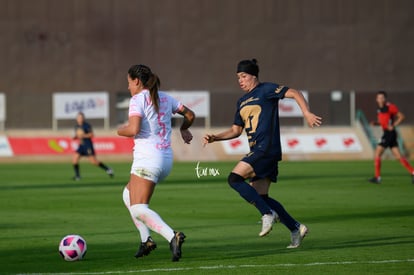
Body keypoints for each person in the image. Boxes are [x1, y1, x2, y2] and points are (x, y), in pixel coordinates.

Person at [203, 59, 322, 248]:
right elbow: (236, 130)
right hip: (259, 150)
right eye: (238, 77)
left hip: (266, 148)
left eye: (243, 76)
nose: (240, 80)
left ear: (254, 76)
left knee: (234, 179)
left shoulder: (266, 89)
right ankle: (295, 228)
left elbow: (295, 93)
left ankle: (267, 214)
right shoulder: (241, 101)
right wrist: (215, 137)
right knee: (262, 197)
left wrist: (306, 113)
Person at [118, 64, 195, 261]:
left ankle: (172, 236)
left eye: (129, 83)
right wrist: (184, 129)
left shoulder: (137, 99)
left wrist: (120, 130)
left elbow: (133, 129)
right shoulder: (166, 98)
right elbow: (190, 115)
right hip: (165, 160)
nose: (128, 87)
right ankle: (146, 240)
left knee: (138, 208)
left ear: (136, 81)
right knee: (127, 195)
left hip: (147, 160)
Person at [369, 91, 414, 184]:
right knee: (398, 156)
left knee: (377, 153)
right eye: (379, 98)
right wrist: (376, 123)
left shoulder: (390, 107)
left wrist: (393, 125)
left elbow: (401, 116)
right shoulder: (379, 109)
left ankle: (377, 178)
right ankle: (413, 172)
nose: (380, 99)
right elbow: (384, 122)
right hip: (388, 133)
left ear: (385, 99)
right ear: (376, 99)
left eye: (382, 97)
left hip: (389, 133)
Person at [72, 112, 114, 180]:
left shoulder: (87, 125)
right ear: (77, 119)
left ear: (83, 118)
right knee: (74, 159)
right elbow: (77, 136)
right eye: (78, 118)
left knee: (93, 161)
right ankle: (78, 176)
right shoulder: (76, 127)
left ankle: (108, 169)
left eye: (81, 117)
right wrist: (75, 137)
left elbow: (91, 135)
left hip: (88, 145)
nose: (80, 119)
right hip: (81, 145)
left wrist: (83, 135)